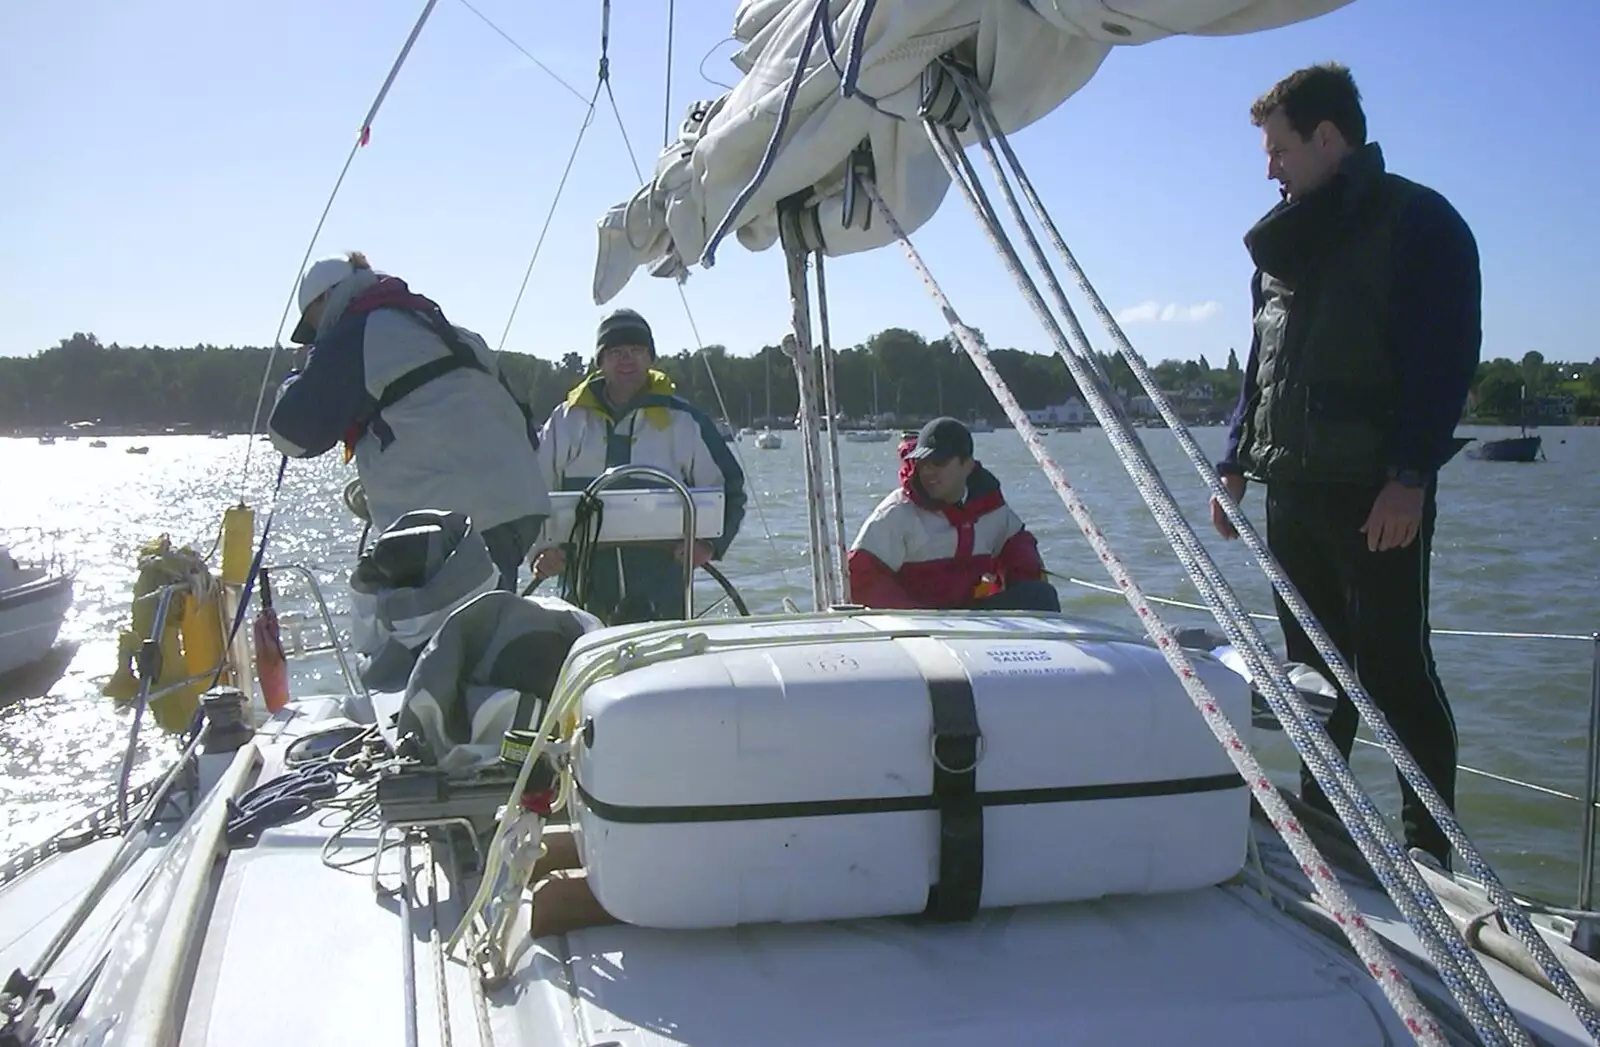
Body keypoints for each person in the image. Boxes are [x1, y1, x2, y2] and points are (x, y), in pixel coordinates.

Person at [1210, 64, 1480, 870]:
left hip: (1376, 496)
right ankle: (1326, 834)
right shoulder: (1281, 242)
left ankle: (1430, 850)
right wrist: (1233, 463)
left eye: (1280, 148)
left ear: (1329, 138)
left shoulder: (1419, 222)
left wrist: (1411, 475)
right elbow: (1262, 364)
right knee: (1308, 677)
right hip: (1290, 490)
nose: (1270, 167)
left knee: (1396, 671)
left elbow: (1446, 358)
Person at [268, 251, 551, 592]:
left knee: (440, 638)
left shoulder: (357, 330)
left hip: (451, 525)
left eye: (311, 322)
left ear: (327, 297)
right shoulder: (446, 331)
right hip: (519, 509)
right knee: (485, 630)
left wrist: (298, 376)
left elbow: (293, 434)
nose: (314, 335)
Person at [530, 308, 747, 623]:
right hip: (583, 577)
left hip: (662, 578)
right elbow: (532, 489)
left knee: (667, 664)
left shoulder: (684, 420)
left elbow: (729, 488)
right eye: (616, 352)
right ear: (600, 362)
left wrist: (709, 544)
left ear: (650, 358)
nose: (626, 360)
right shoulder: (565, 420)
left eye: (636, 351)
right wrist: (540, 551)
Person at [849, 417, 1059, 612]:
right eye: (923, 463)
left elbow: (1018, 552)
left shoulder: (990, 509)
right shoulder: (897, 513)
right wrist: (918, 618)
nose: (928, 471)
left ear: (967, 465)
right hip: (916, 623)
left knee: (1041, 596)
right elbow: (863, 578)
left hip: (968, 617)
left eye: (938, 463)